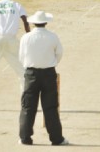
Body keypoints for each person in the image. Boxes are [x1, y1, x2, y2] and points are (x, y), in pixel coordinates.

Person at [18, 11, 68, 145]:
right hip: (48, 74)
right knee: (50, 107)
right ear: (46, 22)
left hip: (31, 74)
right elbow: (59, 54)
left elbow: (21, 56)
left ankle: (25, 138)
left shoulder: (26, 37)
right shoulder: (52, 36)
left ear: (34, 23)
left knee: (28, 107)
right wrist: (50, 64)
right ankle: (57, 139)